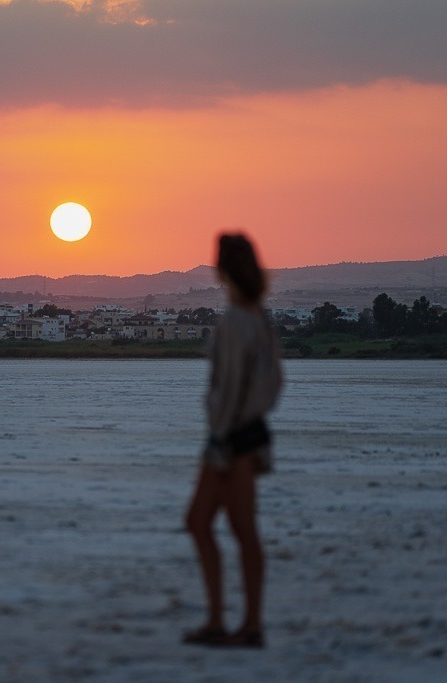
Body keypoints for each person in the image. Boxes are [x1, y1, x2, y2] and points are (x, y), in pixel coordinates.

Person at [183, 233, 283, 648]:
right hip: (241, 435)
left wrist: (224, 433)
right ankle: (225, 620)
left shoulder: (238, 322)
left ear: (224, 268)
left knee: (231, 529)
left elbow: (231, 388)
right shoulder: (256, 317)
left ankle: (244, 624)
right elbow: (272, 383)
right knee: (209, 525)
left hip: (232, 440)